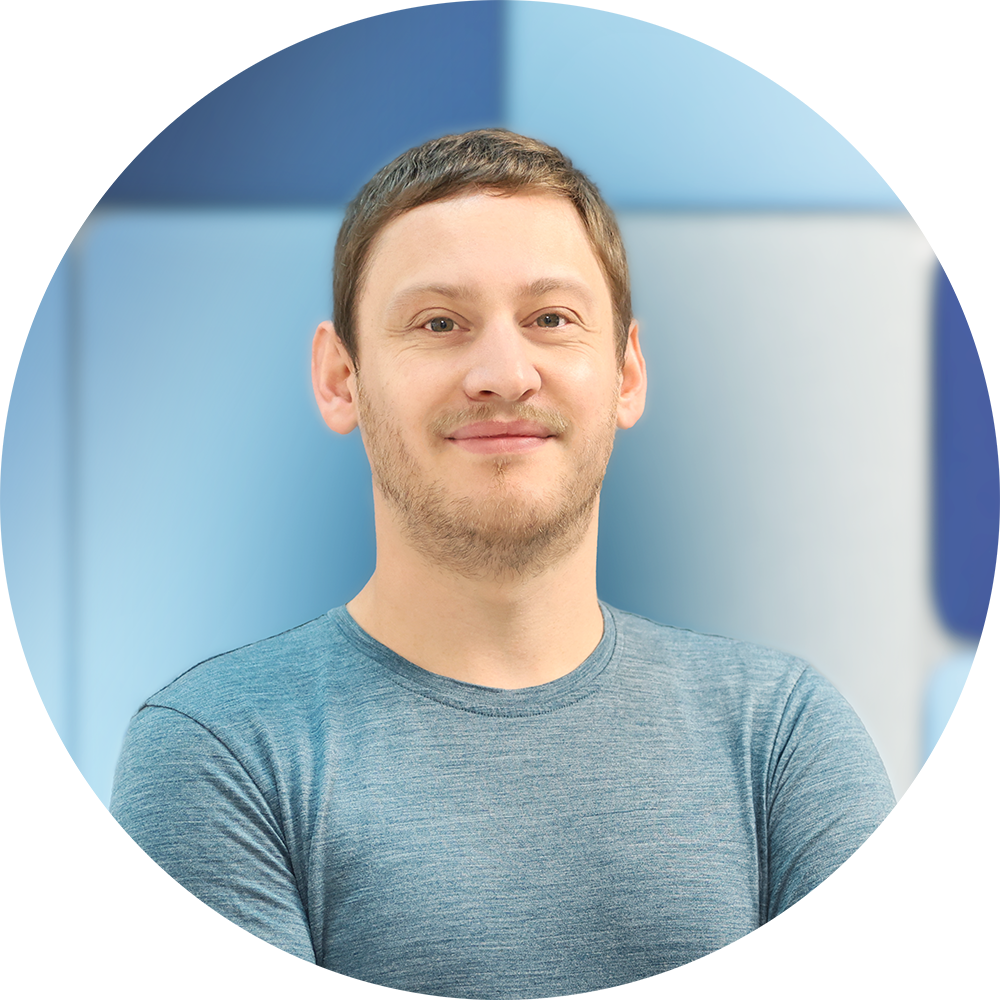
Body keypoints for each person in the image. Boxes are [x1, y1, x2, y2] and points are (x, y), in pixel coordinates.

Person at [101, 129, 925, 999]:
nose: (503, 373)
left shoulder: (784, 737)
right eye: (440, 323)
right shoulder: (216, 752)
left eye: (551, 320)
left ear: (626, 374)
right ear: (341, 378)